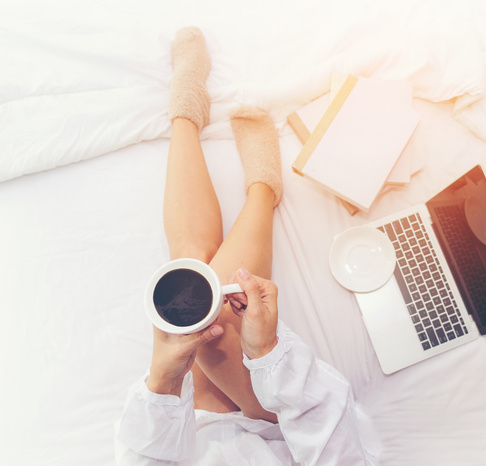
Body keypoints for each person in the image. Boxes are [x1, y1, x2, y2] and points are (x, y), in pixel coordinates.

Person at [115, 27, 379, 465]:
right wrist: (267, 353)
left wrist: (162, 381)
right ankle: (260, 186)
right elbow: (338, 447)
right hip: (280, 436)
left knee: (197, 303)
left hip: (194, 441)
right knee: (213, 317)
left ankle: (190, 113)